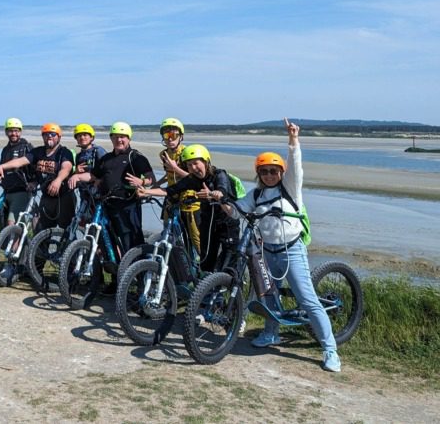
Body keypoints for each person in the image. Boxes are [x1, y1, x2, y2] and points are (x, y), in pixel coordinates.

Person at [226, 119, 341, 373]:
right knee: (268, 295)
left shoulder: (290, 188)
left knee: (307, 300)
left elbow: (296, 166)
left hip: (292, 250)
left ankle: (330, 348)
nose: (269, 175)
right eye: (264, 171)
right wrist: (220, 200)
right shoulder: (255, 195)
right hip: (267, 252)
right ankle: (271, 333)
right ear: (259, 174)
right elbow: (236, 211)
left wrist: (293, 140)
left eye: (273, 171)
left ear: (281, 172)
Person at [133, 143, 239, 271]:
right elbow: (170, 190)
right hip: (207, 221)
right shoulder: (192, 179)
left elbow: (222, 191)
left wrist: (212, 194)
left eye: (196, 163)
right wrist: (147, 191)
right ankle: (207, 287)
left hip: (226, 222)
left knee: (228, 259)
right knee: (205, 260)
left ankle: (234, 286)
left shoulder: (219, 175)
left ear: (206, 162)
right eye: (189, 165)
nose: (193, 168)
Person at [70, 122, 154, 251]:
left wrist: (142, 182)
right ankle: (115, 269)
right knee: (107, 241)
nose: (119, 140)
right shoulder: (106, 158)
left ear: (129, 138)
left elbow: (151, 179)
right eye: (115, 137)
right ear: (111, 139)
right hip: (108, 205)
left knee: (131, 243)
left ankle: (137, 270)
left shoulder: (136, 157)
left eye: (122, 137)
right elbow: (93, 176)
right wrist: (77, 176)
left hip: (128, 205)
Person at [0, 123, 74, 232]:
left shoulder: (64, 152)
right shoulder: (38, 152)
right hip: (46, 197)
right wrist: (2, 166)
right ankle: (40, 249)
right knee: (41, 231)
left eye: (53, 134)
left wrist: (58, 180)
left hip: (64, 198)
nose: (49, 137)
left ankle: (70, 249)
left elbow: (66, 168)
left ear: (59, 137)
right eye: (46, 134)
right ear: (43, 137)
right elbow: (20, 161)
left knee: (66, 231)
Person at [157, 117, 200, 248]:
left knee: (195, 237)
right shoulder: (164, 154)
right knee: (168, 231)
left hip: (189, 198)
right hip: (171, 196)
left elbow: (196, 178)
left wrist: (175, 167)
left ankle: (202, 264)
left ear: (181, 136)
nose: (170, 138)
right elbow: (169, 175)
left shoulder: (187, 153)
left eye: (173, 134)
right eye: (166, 134)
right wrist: (154, 186)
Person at [0, 118, 33, 225]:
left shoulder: (26, 147)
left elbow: (33, 168)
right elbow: (2, 169)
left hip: (21, 191)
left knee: (11, 225)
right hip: (7, 192)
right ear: (6, 132)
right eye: (11, 131)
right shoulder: (5, 150)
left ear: (20, 132)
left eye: (16, 131)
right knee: (3, 226)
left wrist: (34, 182)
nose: (14, 133)